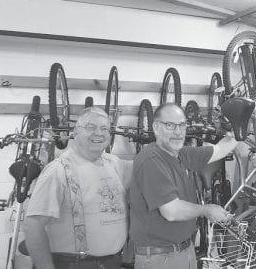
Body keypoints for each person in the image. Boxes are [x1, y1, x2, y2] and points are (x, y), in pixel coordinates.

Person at [129, 103, 238, 269]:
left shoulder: (181, 154)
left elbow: (220, 150)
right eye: (170, 125)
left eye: (182, 125)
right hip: (160, 258)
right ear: (156, 128)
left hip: (184, 251)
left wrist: (241, 126)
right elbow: (171, 211)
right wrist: (207, 210)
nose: (178, 132)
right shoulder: (151, 160)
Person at [24, 106, 133, 269]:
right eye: (91, 127)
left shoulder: (114, 163)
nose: (99, 133)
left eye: (105, 128)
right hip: (74, 264)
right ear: (75, 132)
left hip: (113, 262)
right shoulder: (58, 170)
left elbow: (147, 166)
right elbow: (33, 225)